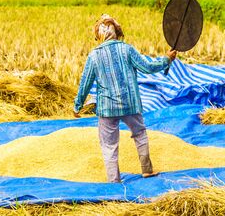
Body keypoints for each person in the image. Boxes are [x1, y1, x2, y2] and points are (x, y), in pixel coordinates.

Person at [73, 14, 177, 183]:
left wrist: (77, 106)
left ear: (99, 35)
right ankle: (147, 170)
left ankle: (114, 180)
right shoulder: (127, 49)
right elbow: (148, 67)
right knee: (140, 133)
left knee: (109, 145)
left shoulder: (94, 56)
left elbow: (85, 83)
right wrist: (166, 59)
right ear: (117, 32)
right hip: (131, 103)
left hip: (107, 108)